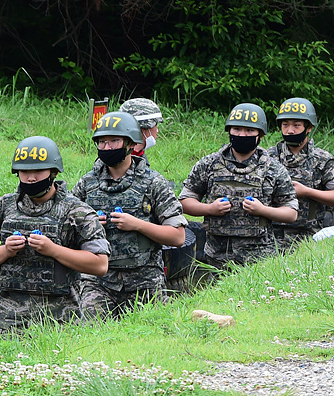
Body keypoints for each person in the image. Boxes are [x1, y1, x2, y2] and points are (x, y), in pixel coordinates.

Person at [0, 136, 109, 334]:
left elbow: (100, 264)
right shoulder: (2, 207)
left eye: (37, 171)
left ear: (53, 172)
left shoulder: (78, 211)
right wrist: (5, 250)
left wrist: (53, 250)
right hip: (10, 322)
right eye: (25, 171)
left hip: (61, 321)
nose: (31, 178)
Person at [73, 111, 186, 317]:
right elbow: (64, 234)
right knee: (90, 329)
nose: (107, 148)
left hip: (145, 280)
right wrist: (88, 226)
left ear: (131, 144)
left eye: (114, 141)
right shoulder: (86, 185)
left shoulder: (153, 183)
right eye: (102, 142)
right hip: (98, 281)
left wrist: (138, 225)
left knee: (159, 330)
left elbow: (178, 236)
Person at [179, 104, 298, 268]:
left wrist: (262, 210)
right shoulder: (209, 164)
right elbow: (184, 201)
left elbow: (291, 213)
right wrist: (210, 209)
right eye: (237, 129)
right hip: (217, 256)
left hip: (260, 259)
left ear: (260, 135)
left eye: (249, 130)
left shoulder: (273, 169)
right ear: (229, 131)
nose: (242, 134)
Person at [268, 97, 334, 250]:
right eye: (285, 125)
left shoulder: (323, 160)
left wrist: (307, 191)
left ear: (309, 127)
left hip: (309, 236)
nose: (290, 130)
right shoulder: (268, 157)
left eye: (297, 125)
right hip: (270, 235)